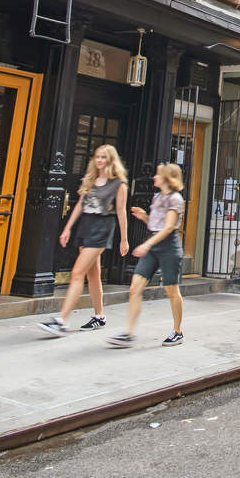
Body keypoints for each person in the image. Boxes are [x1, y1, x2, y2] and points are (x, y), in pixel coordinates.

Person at [37, 144, 130, 336]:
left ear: (111, 160)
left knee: (77, 272)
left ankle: (61, 320)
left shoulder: (119, 184)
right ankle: (99, 316)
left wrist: (124, 239)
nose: (99, 160)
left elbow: (121, 212)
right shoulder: (91, 179)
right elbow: (80, 205)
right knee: (92, 274)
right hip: (85, 226)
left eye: (103, 157)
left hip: (102, 228)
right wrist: (68, 228)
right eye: (97, 157)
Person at [109, 162, 186, 348]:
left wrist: (146, 245)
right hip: (153, 245)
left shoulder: (175, 199)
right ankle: (128, 333)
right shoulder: (157, 196)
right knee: (135, 287)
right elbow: (156, 224)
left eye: (158, 175)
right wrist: (145, 217)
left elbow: (168, 227)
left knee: (172, 291)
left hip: (168, 247)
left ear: (168, 178)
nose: (154, 177)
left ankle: (177, 331)